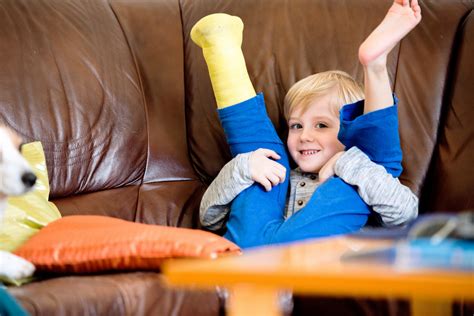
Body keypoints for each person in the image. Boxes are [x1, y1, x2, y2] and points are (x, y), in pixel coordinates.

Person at [191, 0, 422, 248]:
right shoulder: (276, 172)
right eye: (296, 126)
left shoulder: (361, 175)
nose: (304, 136)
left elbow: (405, 213)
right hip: (251, 254)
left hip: (312, 266)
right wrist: (242, 168)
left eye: (321, 125)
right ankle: (221, 48)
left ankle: (375, 66)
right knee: (265, 161)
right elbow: (209, 218)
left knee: (365, 168)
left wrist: (345, 163)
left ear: (348, 132)